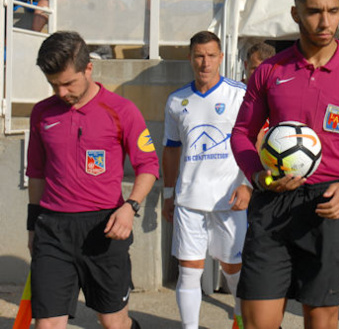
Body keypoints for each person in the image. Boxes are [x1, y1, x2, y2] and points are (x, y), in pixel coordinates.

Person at [230, 0, 339, 329]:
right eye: (314, 11)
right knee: (258, 321)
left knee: (320, 322)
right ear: (295, 13)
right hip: (273, 198)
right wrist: (257, 176)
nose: (325, 22)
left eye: (333, 11)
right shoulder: (270, 71)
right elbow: (242, 133)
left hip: (331, 203)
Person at [26, 31, 159, 329]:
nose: (61, 92)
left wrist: (130, 207)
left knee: (113, 321)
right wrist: (32, 226)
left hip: (104, 228)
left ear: (89, 68)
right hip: (53, 230)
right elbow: (35, 172)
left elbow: (148, 165)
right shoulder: (42, 114)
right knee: (47, 324)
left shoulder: (122, 110)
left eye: (68, 83)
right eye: (53, 84)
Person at [162, 31, 252, 329]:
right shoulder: (177, 100)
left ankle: (241, 321)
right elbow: (172, 149)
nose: (205, 62)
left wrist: (249, 185)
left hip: (230, 200)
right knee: (189, 272)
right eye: (199, 56)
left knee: (234, 270)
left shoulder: (239, 94)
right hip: (189, 200)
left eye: (211, 56)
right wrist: (168, 193)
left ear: (221, 58)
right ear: (190, 58)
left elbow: (258, 140)